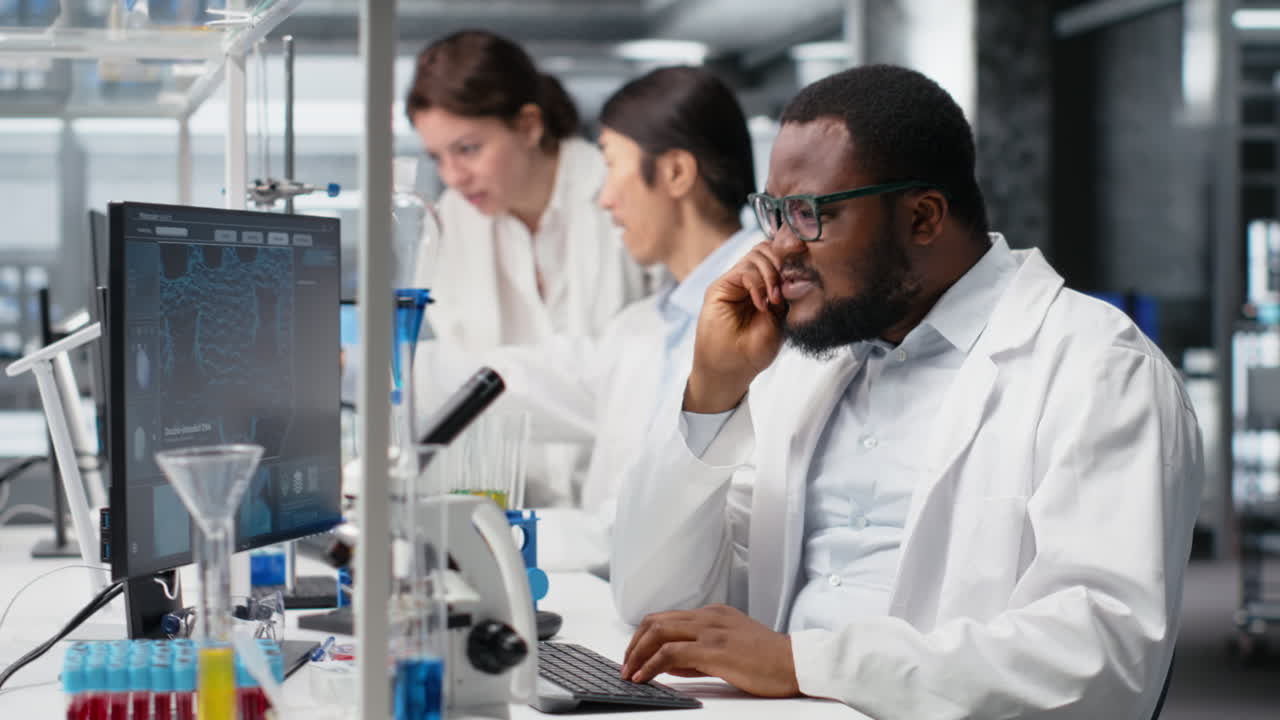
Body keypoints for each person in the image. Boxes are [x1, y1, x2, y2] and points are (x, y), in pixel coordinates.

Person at [609, 64, 1203, 719]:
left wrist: (802, 663)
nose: (778, 249)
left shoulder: (1096, 367)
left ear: (921, 217)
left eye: (808, 215)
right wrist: (713, 393)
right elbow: (655, 600)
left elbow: (1103, 658)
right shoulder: (807, 371)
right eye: (773, 212)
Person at [414, 66, 759, 574]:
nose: (604, 198)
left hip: (703, 623)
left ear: (677, 173)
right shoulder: (645, 327)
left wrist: (460, 535)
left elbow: (697, 528)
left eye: (612, 166)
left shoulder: (771, 317)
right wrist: (363, 368)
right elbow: (525, 380)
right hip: (627, 607)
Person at [405, 30, 647, 504]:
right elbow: (465, 387)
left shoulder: (617, 196)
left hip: (621, 503)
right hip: (511, 509)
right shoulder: (451, 222)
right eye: (438, 156)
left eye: (468, 148)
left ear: (530, 125)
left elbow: (632, 381)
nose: (453, 176)